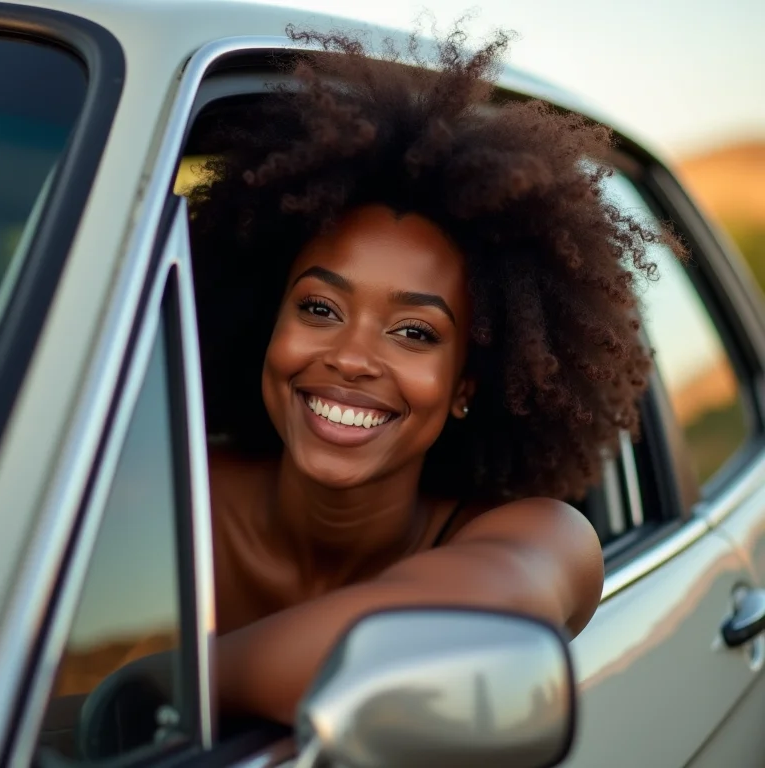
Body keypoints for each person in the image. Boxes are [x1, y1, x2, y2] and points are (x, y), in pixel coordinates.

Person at [187, 24, 683, 725]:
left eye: (414, 331)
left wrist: (160, 688)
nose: (353, 357)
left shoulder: (543, 540)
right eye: (321, 307)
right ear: (266, 320)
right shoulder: (159, 503)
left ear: (466, 387)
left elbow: (430, 643)